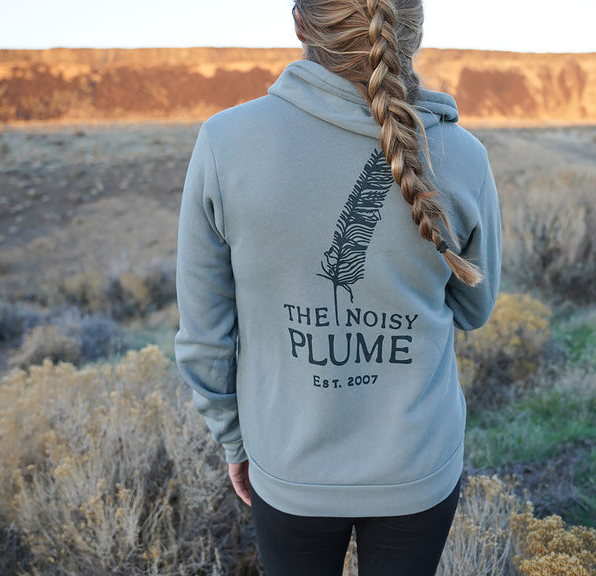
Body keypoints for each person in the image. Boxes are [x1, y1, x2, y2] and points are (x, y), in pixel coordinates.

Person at [174, 0, 501, 574]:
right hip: (418, 466)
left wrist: (233, 441)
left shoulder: (225, 143)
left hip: (288, 464)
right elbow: (475, 309)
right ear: (413, 32)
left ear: (300, 24)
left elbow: (205, 336)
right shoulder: (460, 154)